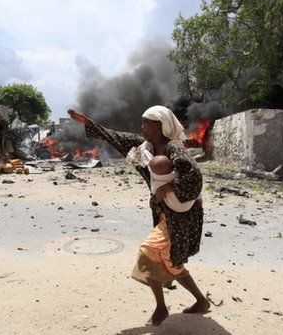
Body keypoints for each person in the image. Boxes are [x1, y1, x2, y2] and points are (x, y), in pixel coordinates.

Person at [68, 106, 209, 326]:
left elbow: (195, 178)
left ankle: (161, 307)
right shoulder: (143, 148)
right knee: (171, 261)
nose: (142, 127)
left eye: (146, 123)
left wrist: (169, 187)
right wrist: (88, 122)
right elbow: (115, 136)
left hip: (182, 215)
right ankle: (201, 301)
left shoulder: (174, 148)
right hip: (164, 212)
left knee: (148, 251)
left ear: (159, 126)